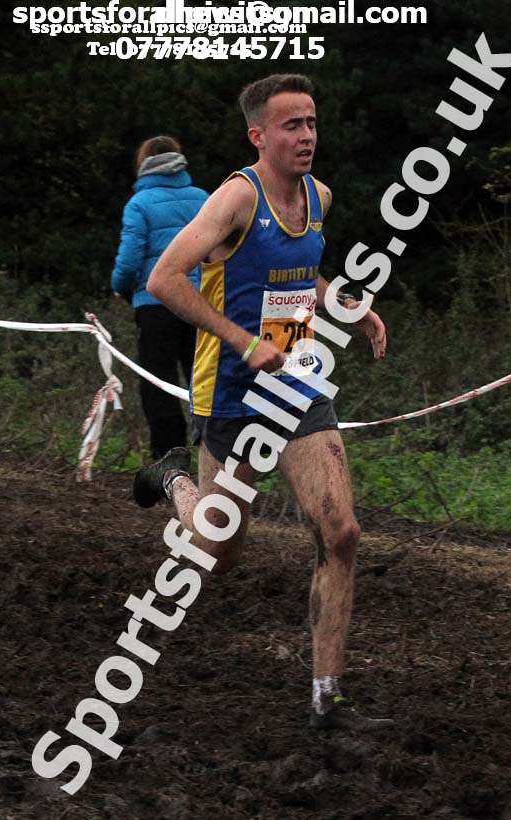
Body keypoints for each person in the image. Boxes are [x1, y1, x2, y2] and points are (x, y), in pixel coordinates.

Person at [133, 76, 393, 733]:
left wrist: (347, 305)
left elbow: (300, 270)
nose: (305, 136)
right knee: (216, 554)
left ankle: (325, 700)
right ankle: (174, 479)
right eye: (290, 126)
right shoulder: (233, 200)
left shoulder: (319, 197)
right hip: (228, 391)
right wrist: (242, 341)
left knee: (341, 531)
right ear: (259, 135)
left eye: (310, 123)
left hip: (294, 387)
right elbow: (164, 278)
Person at [111, 136, 209, 458]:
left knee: (158, 383)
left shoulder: (139, 204)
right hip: (201, 305)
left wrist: (121, 286)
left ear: (143, 164)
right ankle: (213, 453)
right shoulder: (204, 199)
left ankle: (168, 463)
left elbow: (129, 260)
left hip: (155, 306)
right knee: (205, 380)